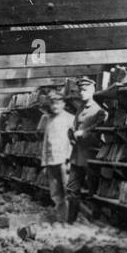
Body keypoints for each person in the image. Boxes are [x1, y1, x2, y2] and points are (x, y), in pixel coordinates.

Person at [37, 90, 74, 222]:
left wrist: (71, 160)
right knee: (55, 193)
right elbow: (45, 142)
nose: (55, 106)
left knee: (68, 191)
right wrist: (44, 162)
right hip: (51, 161)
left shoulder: (70, 119)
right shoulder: (47, 119)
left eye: (58, 103)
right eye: (53, 104)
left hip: (65, 160)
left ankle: (71, 220)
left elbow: (75, 142)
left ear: (63, 103)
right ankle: (61, 219)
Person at [69, 77, 108, 201]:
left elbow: (98, 128)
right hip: (77, 153)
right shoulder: (80, 108)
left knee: (93, 189)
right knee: (72, 188)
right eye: (80, 90)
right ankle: (70, 218)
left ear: (92, 91)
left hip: (90, 154)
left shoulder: (99, 111)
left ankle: (94, 217)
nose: (81, 93)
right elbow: (74, 125)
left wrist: (84, 132)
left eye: (85, 90)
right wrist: (71, 134)